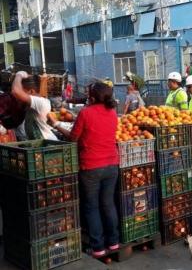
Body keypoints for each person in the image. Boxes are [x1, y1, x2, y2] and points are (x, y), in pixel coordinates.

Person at [50, 82, 119, 258]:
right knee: (108, 203)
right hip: (112, 165)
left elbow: (73, 138)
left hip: (91, 167)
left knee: (92, 207)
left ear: (92, 96)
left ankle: (98, 248)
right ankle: (113, 243)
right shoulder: (112, 113)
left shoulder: (85, 113)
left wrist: (57, 124)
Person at [11, 71, 57, 140]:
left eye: (23, 92)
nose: (21, 96)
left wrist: (19, 75)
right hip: (40, 144)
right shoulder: (31, 104)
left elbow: (16, 92)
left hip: (48, 143)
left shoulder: (41, 102)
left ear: (32, 91)